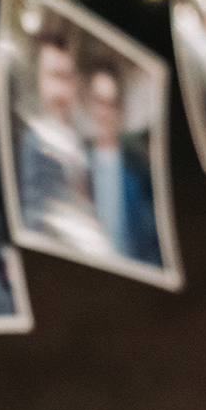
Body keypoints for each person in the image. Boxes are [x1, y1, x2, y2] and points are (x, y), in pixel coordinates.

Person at [17, 31, 97, 240]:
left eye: (66, 78)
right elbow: (34, 221)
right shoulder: (34, 142)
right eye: (54, 76)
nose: (60, 90)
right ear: (40, 81)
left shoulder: (84, 144)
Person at [83, 68, 162, 266]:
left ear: (119, 110)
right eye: (99, 102)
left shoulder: (139, 170)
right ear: (90, 105)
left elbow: (153, 239)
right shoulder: (79, 163)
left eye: (110, 104)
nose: (104, 112)